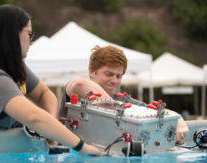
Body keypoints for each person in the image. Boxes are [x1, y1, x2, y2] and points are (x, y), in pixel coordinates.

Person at [0, 4, 102, 156]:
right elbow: (34, 118)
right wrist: (81, 147)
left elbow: (44, 94)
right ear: (12, 35)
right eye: (30, 35)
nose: (31, 41)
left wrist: (51, 128)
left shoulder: (13, 67)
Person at [59, 45, 189, 143]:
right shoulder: (78, 92)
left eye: (119, 76)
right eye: (109, 74)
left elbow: (158, 111)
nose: (114, 80)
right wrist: (117, 109)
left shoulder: (125, 102)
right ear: (92, 72)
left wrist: (179, 122)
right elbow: (79, 83)